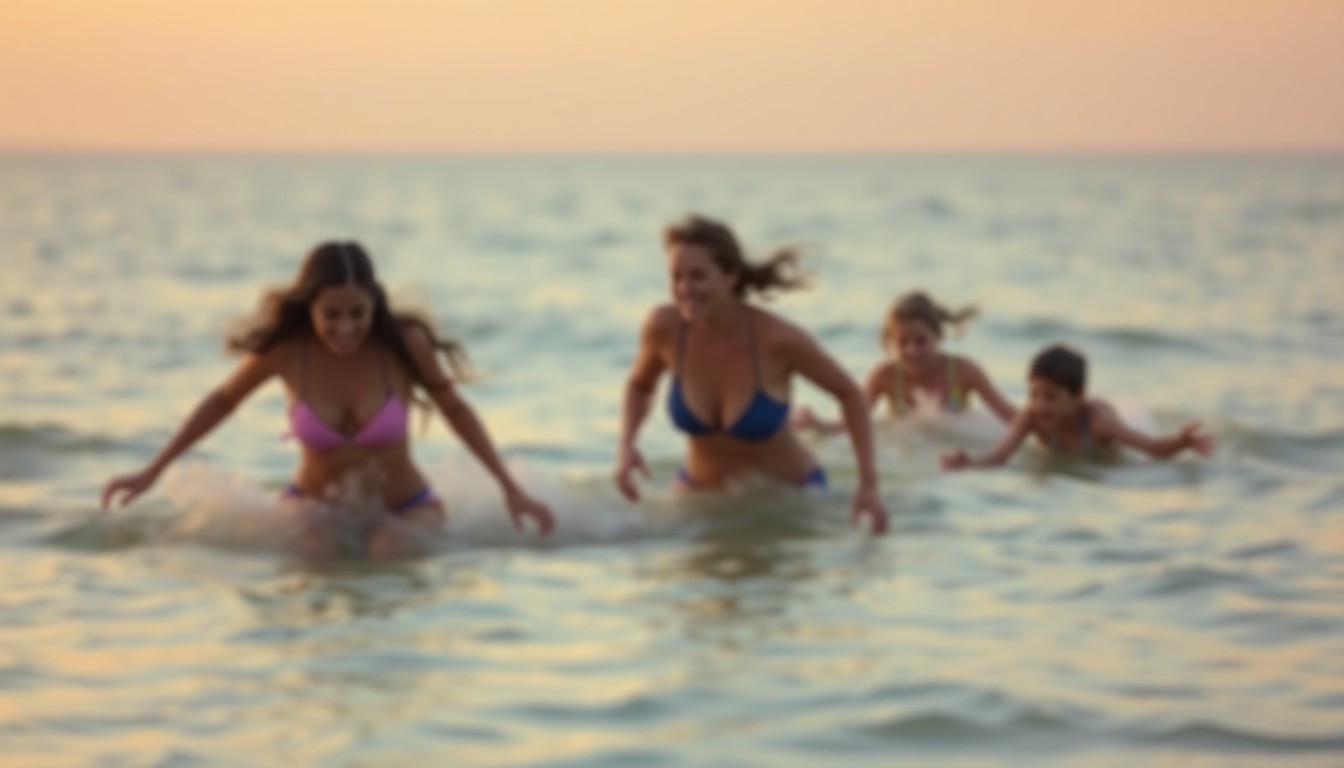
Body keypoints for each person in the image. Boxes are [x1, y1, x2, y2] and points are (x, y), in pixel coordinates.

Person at [101, 241, 555, 556]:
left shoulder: (403, 344)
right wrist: (152, 470)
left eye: (357, 313)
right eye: (330, 315)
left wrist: (510, 489)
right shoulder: (287, 351)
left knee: (387, 552)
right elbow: (221, 402)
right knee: (312, 556)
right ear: (309, 307)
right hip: (312, 504)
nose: (345, 328)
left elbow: (456, 410)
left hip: (406, 507)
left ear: (374, 304)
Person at [614, 214, 889, 535]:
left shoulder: (778, 340)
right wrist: (627, 447)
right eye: (676, 277)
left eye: (698, 276)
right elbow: (639, 384)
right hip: (701, 499)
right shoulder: (664, 328)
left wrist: (868, 484)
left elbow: (849, 393)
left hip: (788, 502)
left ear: (731, 275)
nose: (685, 289)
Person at [941, 344, 1213, 469]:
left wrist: (1182, 442)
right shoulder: (1031, 417)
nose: (1039, 405)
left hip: (1104, 452)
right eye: (1033, 394)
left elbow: (1153, 449)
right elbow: (1001, 455)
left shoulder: (1097, 423)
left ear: (1077, 397)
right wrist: (969, 463)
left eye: (1050, 397)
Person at [793, 290, 1016, 432]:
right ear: (890, 342)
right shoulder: (885, 376)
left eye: (921, 341)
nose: (912, 350)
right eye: (903, 343)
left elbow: (1008, 415)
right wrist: (817, 424)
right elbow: (854, 422)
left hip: (954, 461)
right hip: (908, 460)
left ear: (939, 335)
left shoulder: (963, 371)